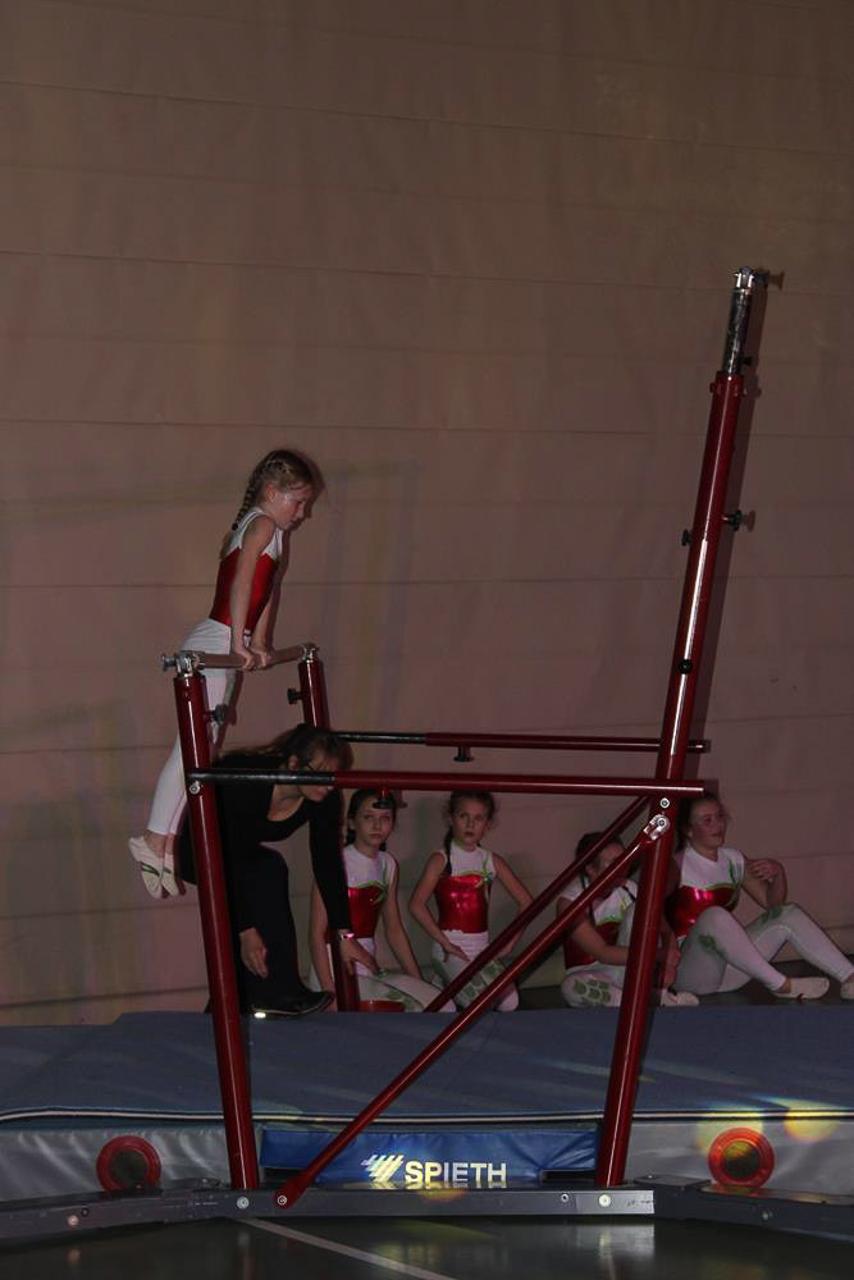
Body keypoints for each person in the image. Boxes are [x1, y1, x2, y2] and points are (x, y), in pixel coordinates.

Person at [130, 449, 318, 897]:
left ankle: (164, 841)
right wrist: (238, 642)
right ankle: (154, 837)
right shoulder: (263, 523)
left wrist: (260, 642)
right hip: (215, 641)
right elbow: (241, 582)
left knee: (203, 750)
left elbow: (268, 592)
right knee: (192, 750)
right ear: (271, 492)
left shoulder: (274, 531)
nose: (302, 513)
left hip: (227, 639)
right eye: (298, 502)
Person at [177, 724, 375, 1017]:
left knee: (266, 872)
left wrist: (344, 934)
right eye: (320, 776)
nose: (328, 786)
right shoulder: (249, 780)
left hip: (238, 855)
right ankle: (282, 991)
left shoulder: (323, 797)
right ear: (293, 764)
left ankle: (244, 1001)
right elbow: (227, 857)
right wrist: (246, 930)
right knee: (267, 872)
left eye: (332, 778)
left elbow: (327, 863)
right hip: (197, 848)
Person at [669, 792, 854, 1001]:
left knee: (788, 913)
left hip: (730, 974)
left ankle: (849, 976)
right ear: (688, 830)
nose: (718, 825)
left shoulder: (733, 859)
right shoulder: (676, 864)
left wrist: (778, 874)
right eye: (707, 820)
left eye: (720, 816)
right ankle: (780, 984)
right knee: (715, 916)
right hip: (690, 973)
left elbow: (773, 905)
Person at [309, 790, 453, 1012]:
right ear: (352, 822)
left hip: (369, 968)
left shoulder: (388, 864)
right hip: (333, 969)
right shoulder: (335, 862)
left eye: (385, 818)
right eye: (368, 817)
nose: (377, 825)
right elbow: (316, 934)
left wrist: (417, 980)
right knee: (411, 1008)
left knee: (443, 1005)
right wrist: (329, 993)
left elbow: (394, 929)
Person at [408, 791, 532, 1012]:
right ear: (451, 818)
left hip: (481, 948)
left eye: (478, 818)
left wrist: (509, 944)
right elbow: (416, 905)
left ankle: (444, 983)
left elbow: (527, 902)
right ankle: (446, 975)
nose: (470, 824)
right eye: (463, 816)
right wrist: (445, 943)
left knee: (509, 1003)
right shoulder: (441, 859)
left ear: (488, 824)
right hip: (449, 947)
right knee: (480, 1003)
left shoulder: (491, 860)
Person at [557, 833, 696, 1009]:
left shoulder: (629, 888)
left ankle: (649, 997)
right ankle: (640, 1001)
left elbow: (663, 929)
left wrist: (669, 954)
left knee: (640, 908)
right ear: (590, 868)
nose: (623, 867)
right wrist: (658, 955)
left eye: (624, 860)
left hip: (626, 967)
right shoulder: (570, 903)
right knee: (572, 986)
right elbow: (602, 952)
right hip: (590, 973)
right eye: (614, 863)